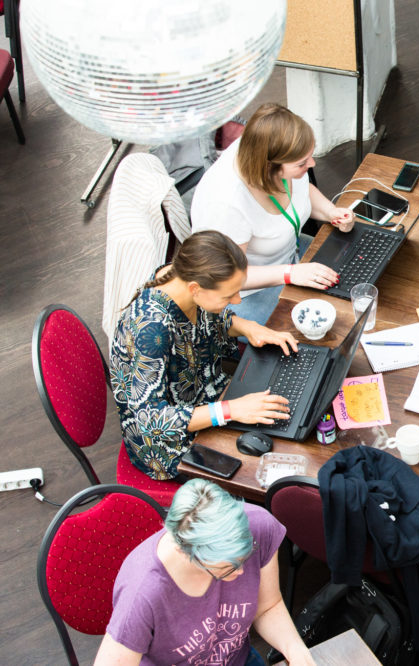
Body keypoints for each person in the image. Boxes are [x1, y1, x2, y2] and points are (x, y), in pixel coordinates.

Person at [110, 231, 296, 482]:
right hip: (171, 444)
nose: (237, 300)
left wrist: (248, 326)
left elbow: (211, 318)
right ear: (195, 289)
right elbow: (150, 421)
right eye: (228, 296)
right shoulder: (151, 329)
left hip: (207, 396)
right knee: (271, 472)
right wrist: (230, 410)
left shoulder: (180, 277)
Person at [95, 479, 315, 666]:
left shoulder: (259, 526)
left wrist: (294, 649)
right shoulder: (141, 595)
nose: (241, 571)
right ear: (186, 552)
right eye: (227, 567)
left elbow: (268, 607)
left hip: (237, 658)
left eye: (244, 557)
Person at [191, 103, 355, 325]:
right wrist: (290, 274)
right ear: (269, 167)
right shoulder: (226, 205)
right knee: (327, 324)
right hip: (245, 291)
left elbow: (300, 188)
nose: (312, 164)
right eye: (302, 163)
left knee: (353, 279)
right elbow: (227, 276)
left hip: (289, 258)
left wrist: (331, 211)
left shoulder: (267, 150)